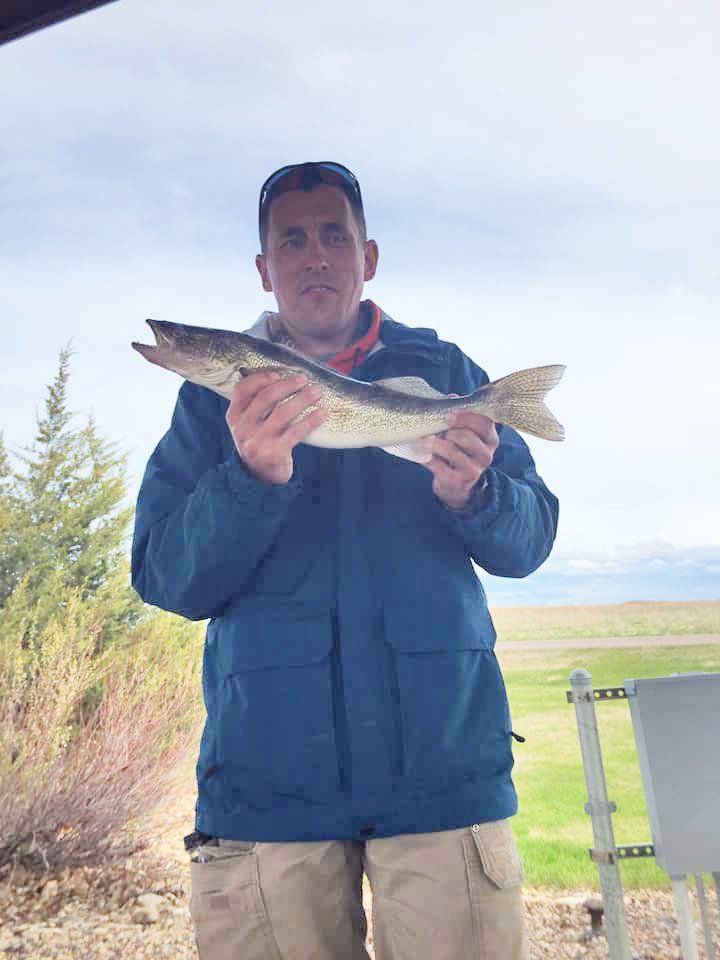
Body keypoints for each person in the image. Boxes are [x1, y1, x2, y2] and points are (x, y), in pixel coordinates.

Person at [131, 161, 559, 960]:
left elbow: (530, 540)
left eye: (335, 234)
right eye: (291, 239)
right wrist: (250, 479)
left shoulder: (447, 375)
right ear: (265, 268)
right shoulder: (206, 402)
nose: (315, 255)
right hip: (266, 795)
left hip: (444, 778)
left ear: (370, 255)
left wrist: (477, 494)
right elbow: (164, 576)